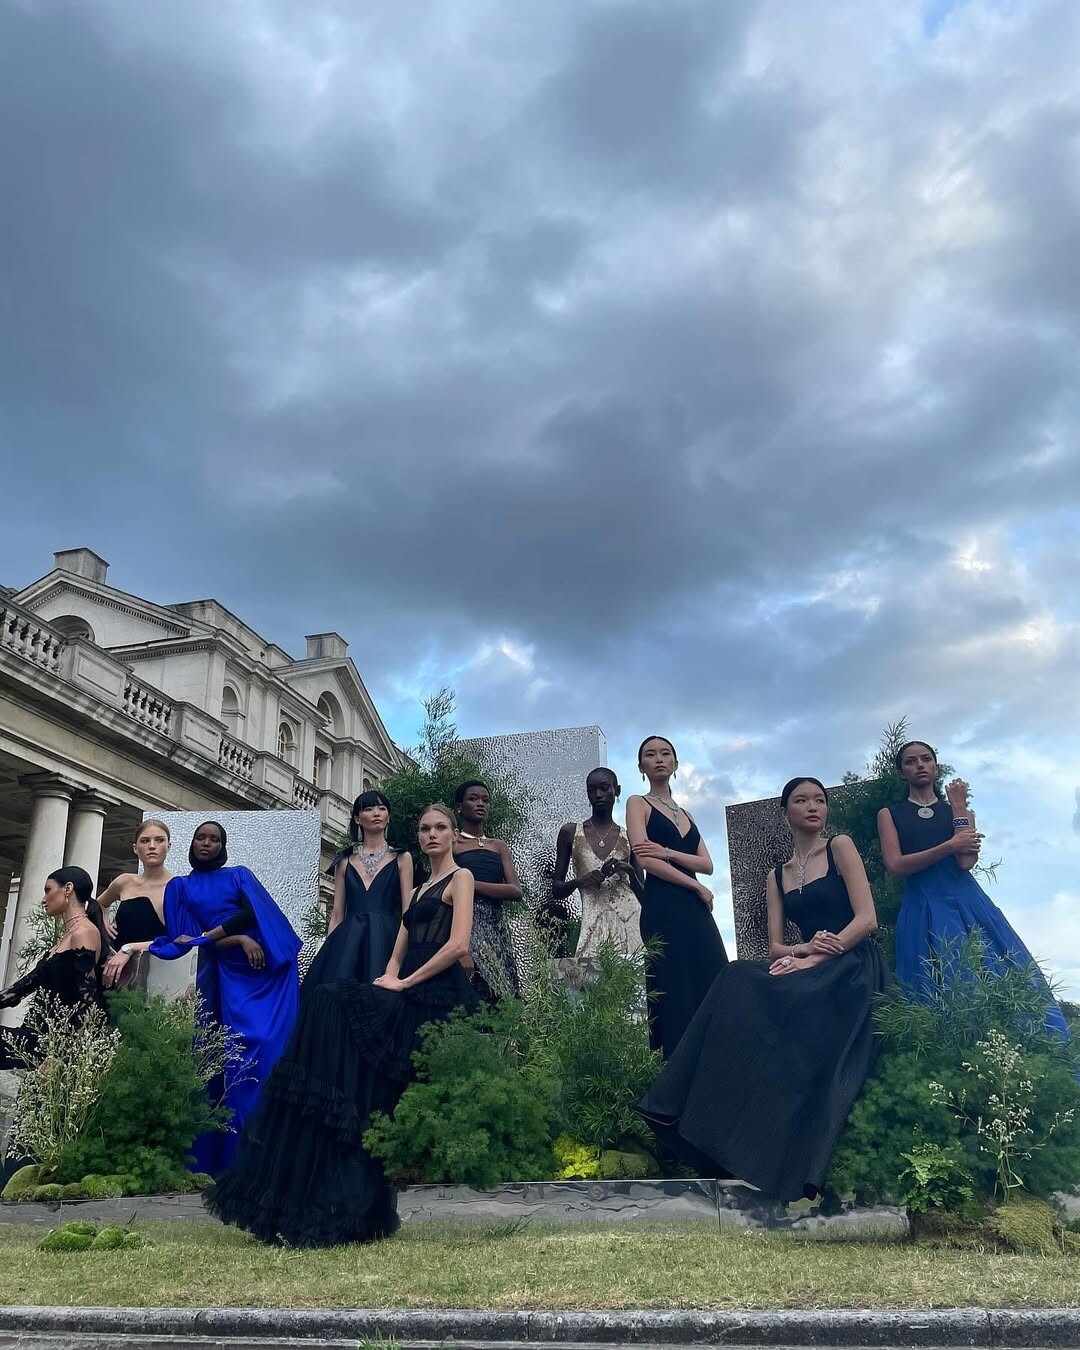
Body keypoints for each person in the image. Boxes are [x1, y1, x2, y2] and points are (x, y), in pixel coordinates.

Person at [206, 804, 477, 1247]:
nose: (432, 834)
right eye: (425, 828)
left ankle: (342, 1197)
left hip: (436, 995)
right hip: (404, 987)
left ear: (452, 835)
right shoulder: (421, 887)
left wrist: (404, 982)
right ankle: (315, 1197)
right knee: (325, 1004)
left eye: (440, 828)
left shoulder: (460, 878)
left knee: (336, 1014)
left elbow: (458, 944)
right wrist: (388, 977)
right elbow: (399, 947)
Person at [638, 777, 886, 1200]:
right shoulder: (778, 874)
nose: (813, 807)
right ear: (785, 812)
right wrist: (801, 951)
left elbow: (867, 920)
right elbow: (775, 947)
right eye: (801, 800)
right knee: (735, 977)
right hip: (810, 964)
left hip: (852, 965)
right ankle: (686, 1114)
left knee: (765, 995)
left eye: (820, 800)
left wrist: (816, 957)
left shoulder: (840, 847)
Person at [879, 740, 1070, 1039]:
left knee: (996, 971)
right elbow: (895, 865)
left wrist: (958, 807)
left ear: (936, 766)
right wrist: (949, 845)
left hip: (967, 903)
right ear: (901, 772)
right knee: (930, 982)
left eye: (926, 759)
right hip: (922, 904)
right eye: (911, 761)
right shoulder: (890, 814)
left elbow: (966, 861)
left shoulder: (960, 813)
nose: (920, 765)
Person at [147, 821, 302, 1172]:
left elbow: (253, 914)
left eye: (214, 839)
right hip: (219, 970)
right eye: (201, 838)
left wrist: (223, 936)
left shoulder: (238, 875)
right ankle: (219, 1159)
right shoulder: (179, 886)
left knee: (262, 1051)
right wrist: (235, 938)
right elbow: (185, 938)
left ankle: (268, 1154)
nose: (207, 843)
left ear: (223, 846)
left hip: (260, 973)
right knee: (218, 1057)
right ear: (192, 843)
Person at [626, 736, 728, 1058]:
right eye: (650, 754)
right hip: (663, 904)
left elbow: (707, 865)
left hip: (695, 909)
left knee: (713, 973)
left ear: (675, 763)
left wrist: (668, 851)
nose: (659, 759)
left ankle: (718, 1058)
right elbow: (645, 859)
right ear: (641, 766)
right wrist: (695, 885)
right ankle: (673, 1065)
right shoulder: (637, 803)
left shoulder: (688, 814)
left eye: (665, 753)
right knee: (672, 984)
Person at [0, 866, 110, 1069]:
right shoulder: (66, 937)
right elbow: (22, 987)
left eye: (48, 890)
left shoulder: (84, 933)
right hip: (33, 1035)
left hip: (51, 1045)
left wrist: (64, 1056)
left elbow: (87, 1000)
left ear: (68, 889)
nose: (44, 899)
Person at [305, 791, 413, 991]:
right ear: (357, 818)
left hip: (386, 939)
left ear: (389, 817)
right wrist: (330, 952)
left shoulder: (402, 857)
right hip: (348, 940)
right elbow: (337, 914)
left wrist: (402, 953)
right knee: (337, 994)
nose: (376, 813)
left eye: (382, 808)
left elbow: (408, 911)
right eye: (369, 809)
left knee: (381, 994)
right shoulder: (344, 861)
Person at [552, 768, 643, 965]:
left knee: (631, 979)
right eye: (592, 790)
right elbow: (556, 890)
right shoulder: (570, 832)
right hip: (591, 924)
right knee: (587, 980)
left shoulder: (629, 836)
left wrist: (627, 870)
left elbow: (644, 895)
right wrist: (580, 881)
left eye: (604, 788)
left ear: (617, 790)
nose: (598, 794)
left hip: (630, 921)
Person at [452, 780, 521, 999]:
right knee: (472, 992)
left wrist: (469, 884)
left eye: (485, 800)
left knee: (503, 992)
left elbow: (515, 891)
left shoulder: (498, 846)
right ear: (459, 806)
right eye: (473, 799)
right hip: (465, 924)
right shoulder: (453, 845)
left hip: (496, 924)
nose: (480, 804)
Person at [97, 819, 171, 989]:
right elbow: (98, 905)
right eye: (145, 841)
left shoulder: (177, 887)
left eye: (159, 840)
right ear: (135, 848)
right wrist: (104, 921)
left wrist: (129, 949)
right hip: (112, 969)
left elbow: (178, 939)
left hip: (153, 976)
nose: (152, 846)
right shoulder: (124, 881)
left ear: (168, 846)